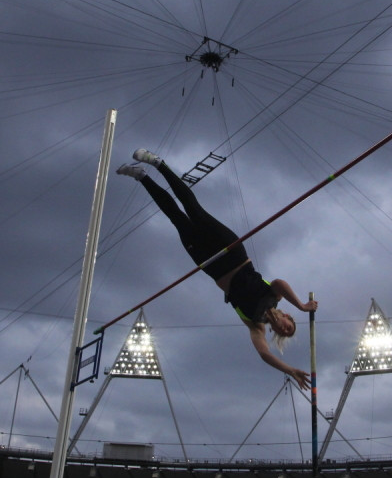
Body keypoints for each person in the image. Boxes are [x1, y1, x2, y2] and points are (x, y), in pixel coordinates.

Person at [117, 149, 318, 389]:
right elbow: (279, 282)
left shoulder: (256, 326)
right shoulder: (274, 297)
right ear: (287, 317)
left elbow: (264, 355)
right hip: (231, 250)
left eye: (285, 333)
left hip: (211, 264)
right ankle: (158, 164)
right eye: (289, 325)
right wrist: (303, 307)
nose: (285, 329)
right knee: (193, 208)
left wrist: (289, 369)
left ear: (277, 332)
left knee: (176, 218)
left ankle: (141, 177)